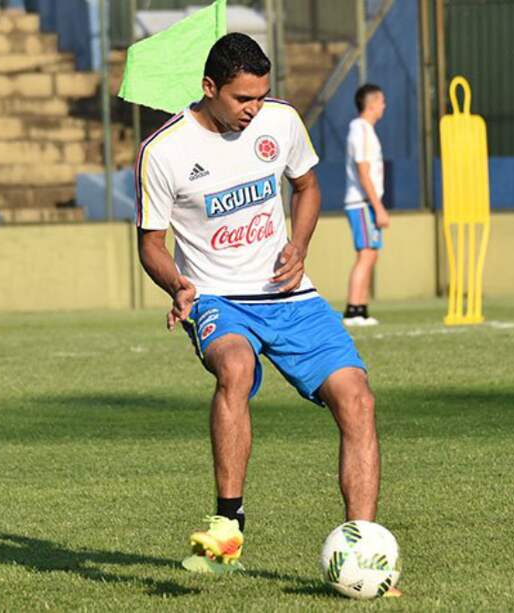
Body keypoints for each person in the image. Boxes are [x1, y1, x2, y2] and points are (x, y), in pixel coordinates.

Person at [136, 33, 391, 585]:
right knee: (235, 367)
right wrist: (177, 285)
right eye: (242, 99)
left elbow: (308, 186)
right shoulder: (164, 151)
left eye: (261, 96)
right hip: (215, 296)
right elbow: (150, 244)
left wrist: (299, 245)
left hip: (289, 295)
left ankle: (363, 548)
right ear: (209, 88)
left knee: (358, 399)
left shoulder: (280, 121)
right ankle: (227, 525)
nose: (254, 110)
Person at [342, 83, 389, 327]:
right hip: (362, 203)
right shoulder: (360, 130)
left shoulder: (367, 131)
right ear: (371, 104)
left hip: (367, 203)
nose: (384, 106)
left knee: (371, 254)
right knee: (365, 255)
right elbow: (363, 172)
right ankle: (353, 310)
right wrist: (378, 207)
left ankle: (361, 308)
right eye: (381, 101)